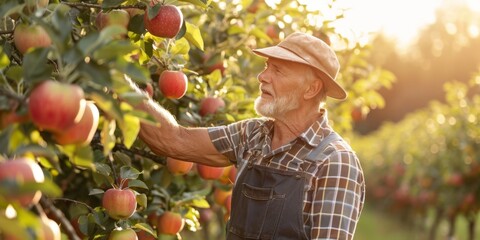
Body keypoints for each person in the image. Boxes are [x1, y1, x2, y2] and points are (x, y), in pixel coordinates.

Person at [132, 32, 365, 240]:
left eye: (278, 70)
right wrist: (115, 83)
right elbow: (174, 140)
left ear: (311, 89)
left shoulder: (334, 161)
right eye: (266, 66)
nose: (262, 77)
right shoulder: (252, 135)